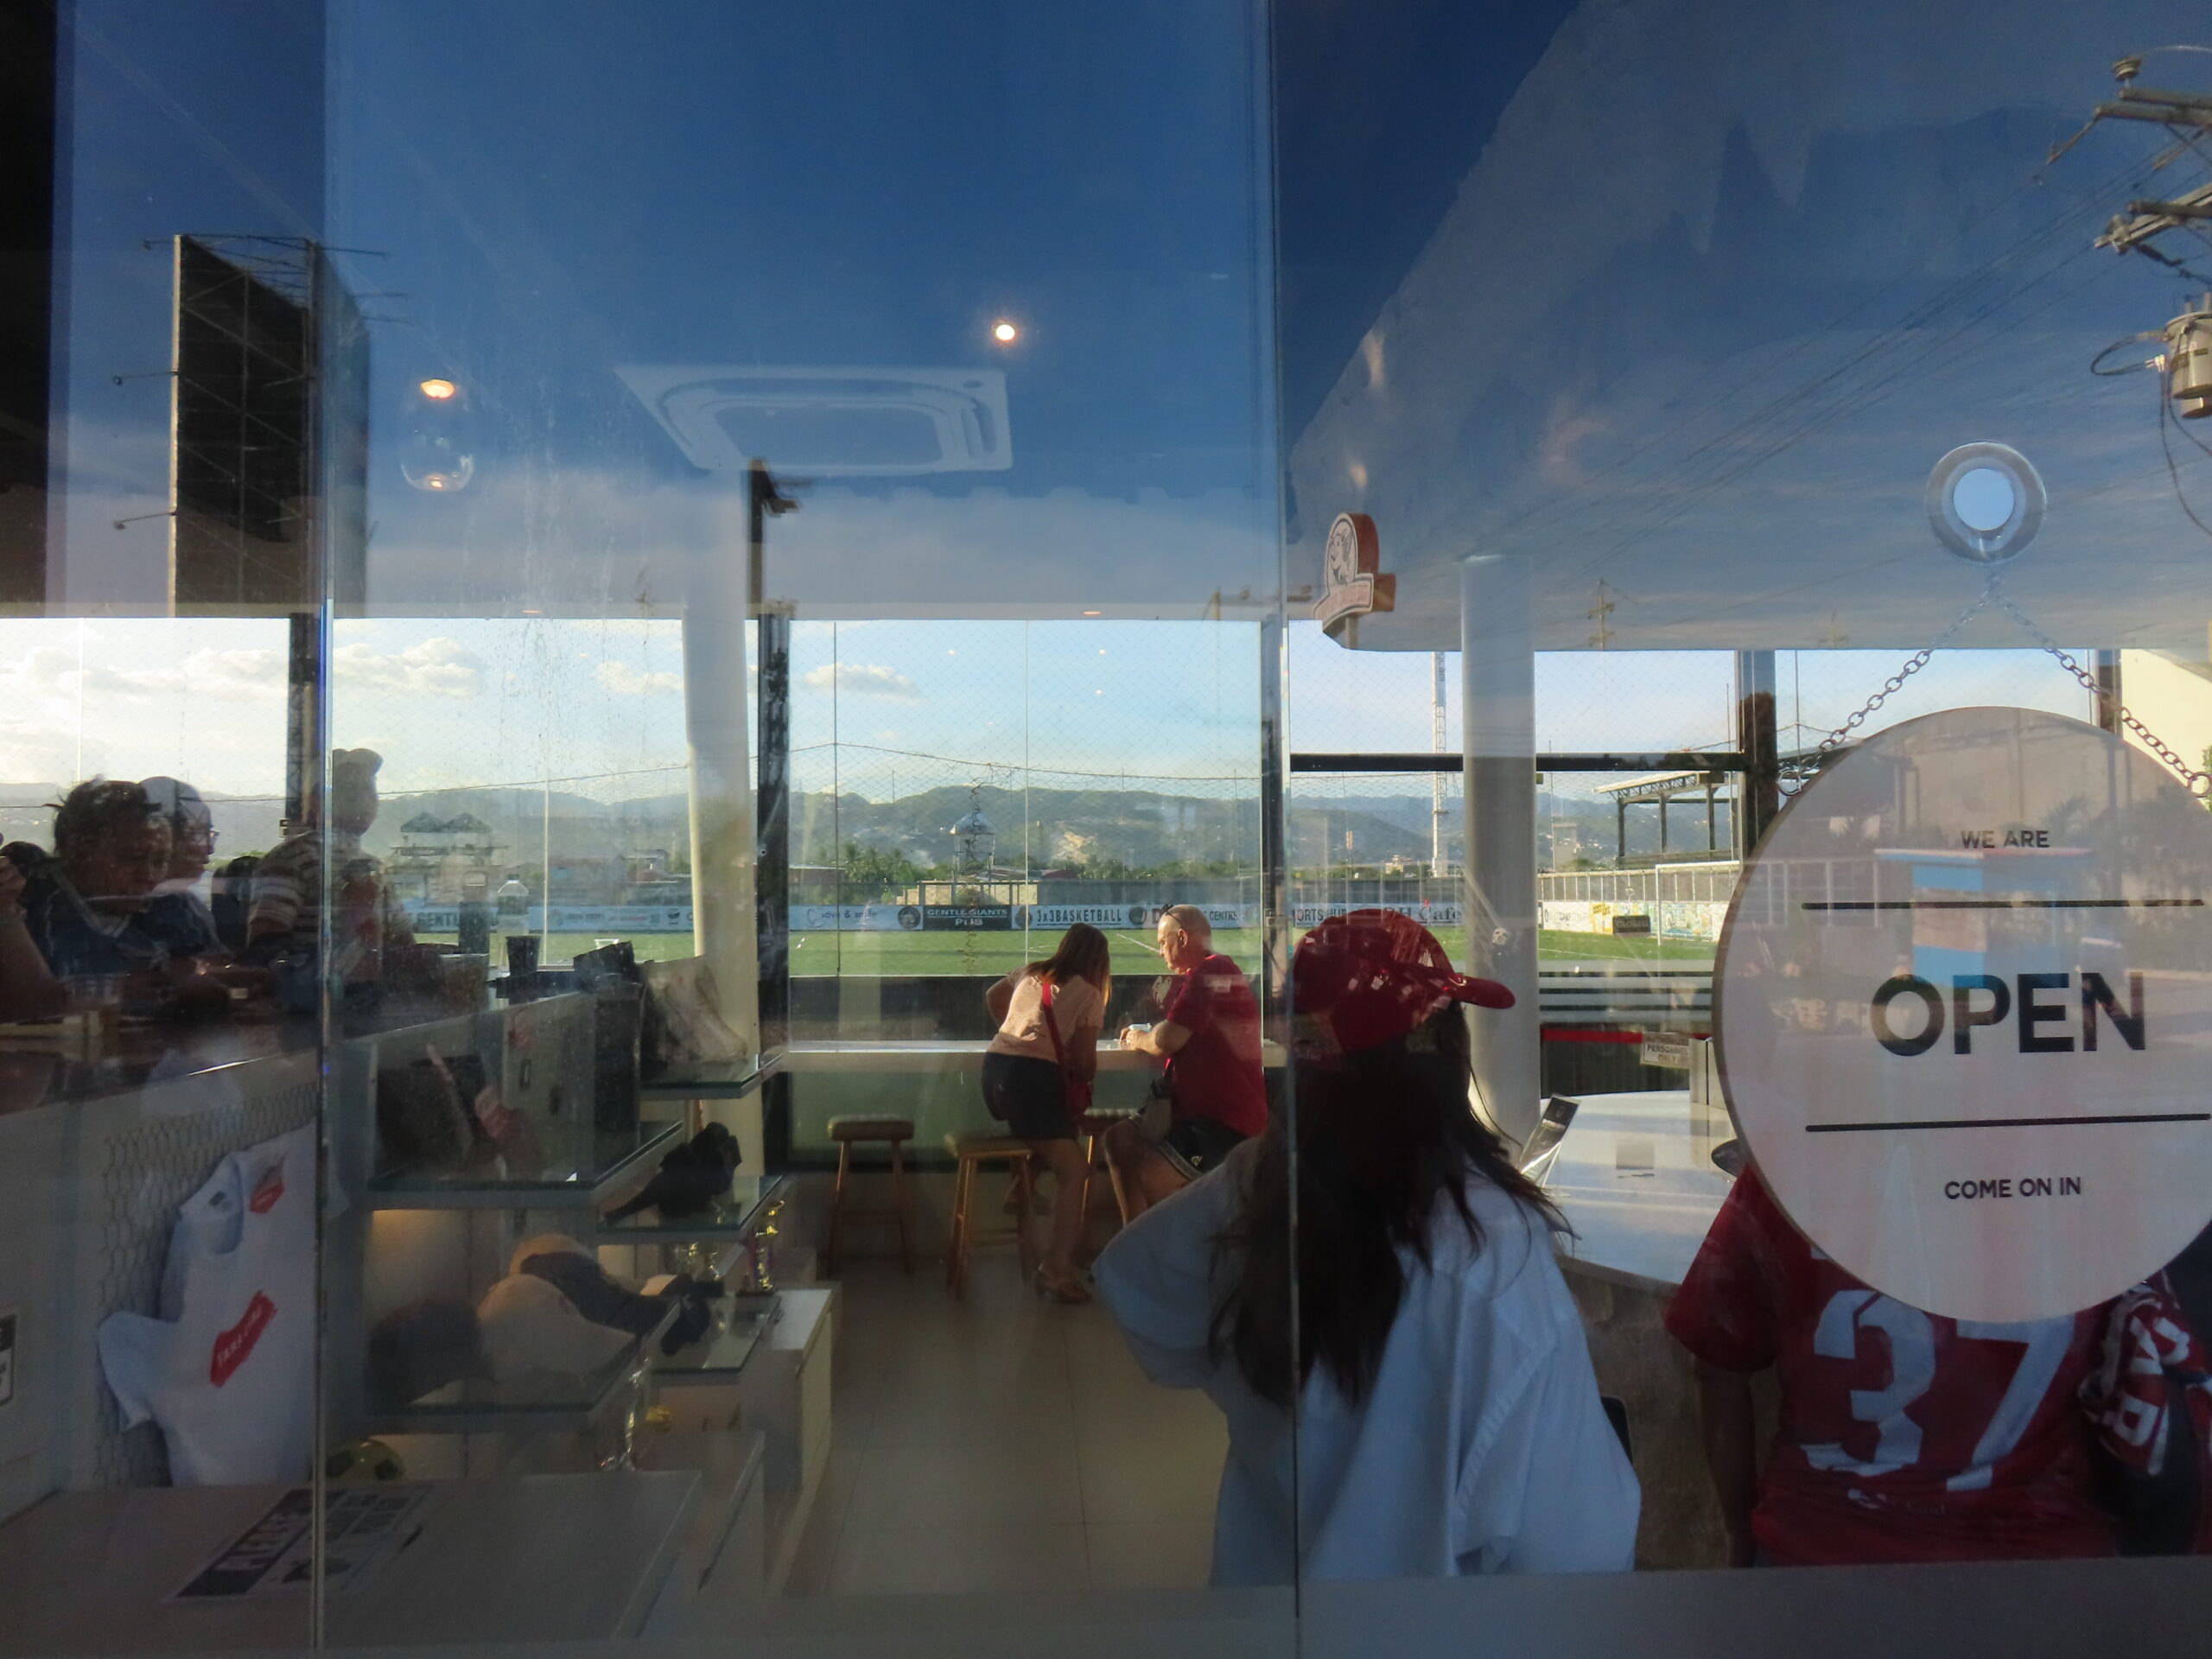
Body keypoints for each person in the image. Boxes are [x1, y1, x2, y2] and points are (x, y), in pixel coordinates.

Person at [1095, 908, 1637, 1584]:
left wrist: (1257, 1386)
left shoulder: (1259, 1183)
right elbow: (1576, 1544)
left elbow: (1136, 1284)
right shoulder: (1492, 1246)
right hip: (1434, 1623)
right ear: (1442, 1054)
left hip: (1267, 1604)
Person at [1666, 1161, 2111, 1566]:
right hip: (2042, 1549)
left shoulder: (1792, 1167)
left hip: (1817, 1542)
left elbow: (1717, 1364)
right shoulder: (2098, 1170)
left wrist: (1740, 1535)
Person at [1105, 905, 1266, 1219]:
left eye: (1163, 942)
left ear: (1182, 937)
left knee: (1153, 1177)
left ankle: (1172, 1245)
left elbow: (1167, 1039)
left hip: (1224, 1121)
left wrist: (1138, 1037)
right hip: (1193, 1110)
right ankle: (1135, 1236)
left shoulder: (1212, 971)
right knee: (1119, 1140)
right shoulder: (1203, 974)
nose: (1159, 951)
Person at [982, 922, 1112, 1304]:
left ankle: (1019, 1190)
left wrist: (1018, 1032)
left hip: (995, 1073)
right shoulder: (1089, 994)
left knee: (1056, 1132)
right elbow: (1085, 1065)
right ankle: (1056, 1268)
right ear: (1100, 962)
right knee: (1075, 1171)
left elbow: (993, 996)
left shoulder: (1031, 972)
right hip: (1030, 1082)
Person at [248, 748, 413, 1009]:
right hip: (313, 1013)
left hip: (371, 1003)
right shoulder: (291, 859)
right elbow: (264, 950)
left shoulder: (375, 866)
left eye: (370, 791)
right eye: (351, 790)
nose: (365, 800)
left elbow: (404, 944)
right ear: (316, 802)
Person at [139, 777, 222, 958]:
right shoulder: (134, 911)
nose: (209, 848)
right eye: (197, 834)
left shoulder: (185, 903)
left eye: (207, 833)